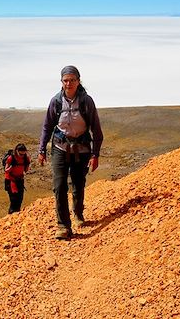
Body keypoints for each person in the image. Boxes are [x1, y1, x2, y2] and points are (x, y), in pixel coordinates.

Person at [37, 65, 103, 239]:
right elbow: (47, 126)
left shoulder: (86, 101)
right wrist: (42, 149)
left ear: (78, 81)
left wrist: (95, 155)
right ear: (61, 82)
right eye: (66, 80)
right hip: (60, 148)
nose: (69, 83)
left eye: (72, 80)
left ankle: (78, 213)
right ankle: (63, 226)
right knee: (59, 186)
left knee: (78, 184)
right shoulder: (56, 101)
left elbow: (96, 129)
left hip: (81, 150)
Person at [4, 143, 30, 214]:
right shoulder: (11, 158)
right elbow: (6, 170)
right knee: (13, 199)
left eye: (23, 154)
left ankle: (16, 215)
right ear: (17, 151)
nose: (22, 155)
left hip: (20, 180)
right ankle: (11, 215)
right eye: (21, 154)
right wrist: (12, 167)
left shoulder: (25, 158)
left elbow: (26, 170)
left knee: (20, 199)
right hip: (10, 180)